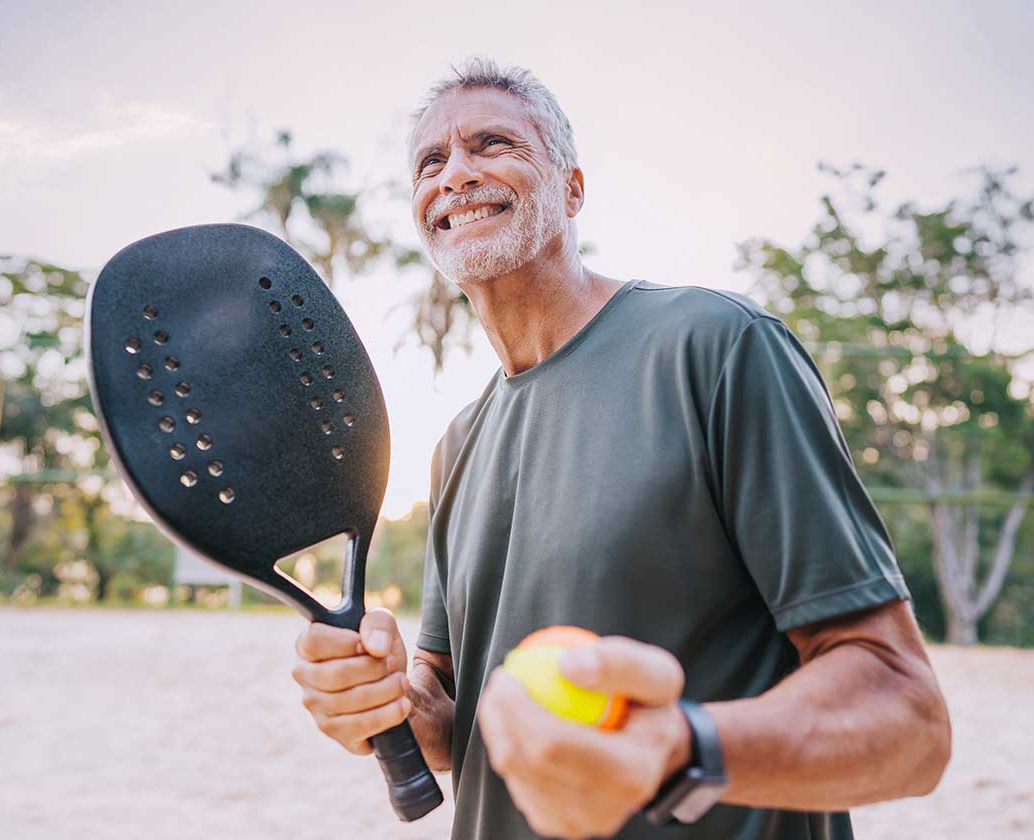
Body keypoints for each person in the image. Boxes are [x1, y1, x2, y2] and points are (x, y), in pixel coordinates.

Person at [290, 57, 951, 840]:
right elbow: (455, 721)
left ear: (572, 188)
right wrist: (387, 702)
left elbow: (909, 720)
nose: (455, 174)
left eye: (492, 144)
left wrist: (683, 752)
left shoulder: (715, 348)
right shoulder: (456, 444)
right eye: (430, 162)